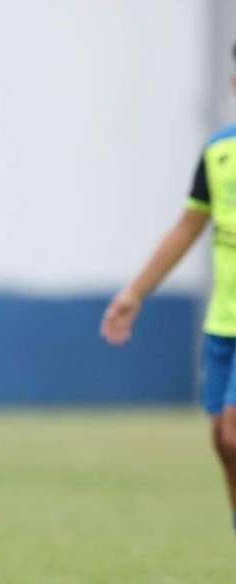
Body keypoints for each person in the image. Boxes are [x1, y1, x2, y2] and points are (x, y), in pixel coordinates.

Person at [101, 43, 236, 531]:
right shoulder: (219, 150)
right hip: (223, 322)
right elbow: (187, 226)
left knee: (234, 436)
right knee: (223, 441)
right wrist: (134, 293)